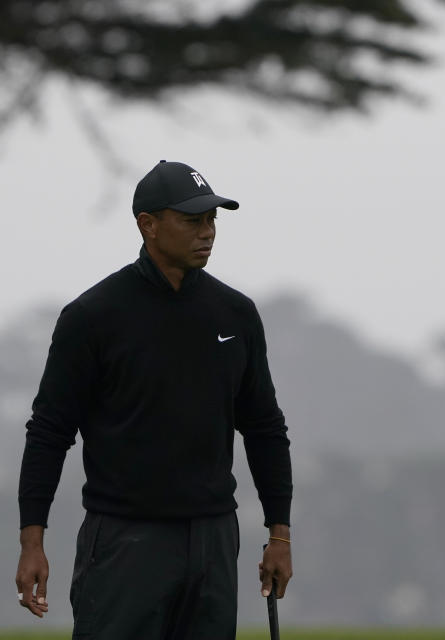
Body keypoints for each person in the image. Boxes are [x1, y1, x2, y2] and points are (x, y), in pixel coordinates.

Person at [15, 160, 293, 639]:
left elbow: (265, 428)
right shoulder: (92, 317)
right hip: (124, 541)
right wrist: (32, 542)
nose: (207, 232)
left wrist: (279, 535)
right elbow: (48, 432)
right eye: (191, 221)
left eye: (212, 220)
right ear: (148, 225)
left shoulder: (236, 314)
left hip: (214, 541)